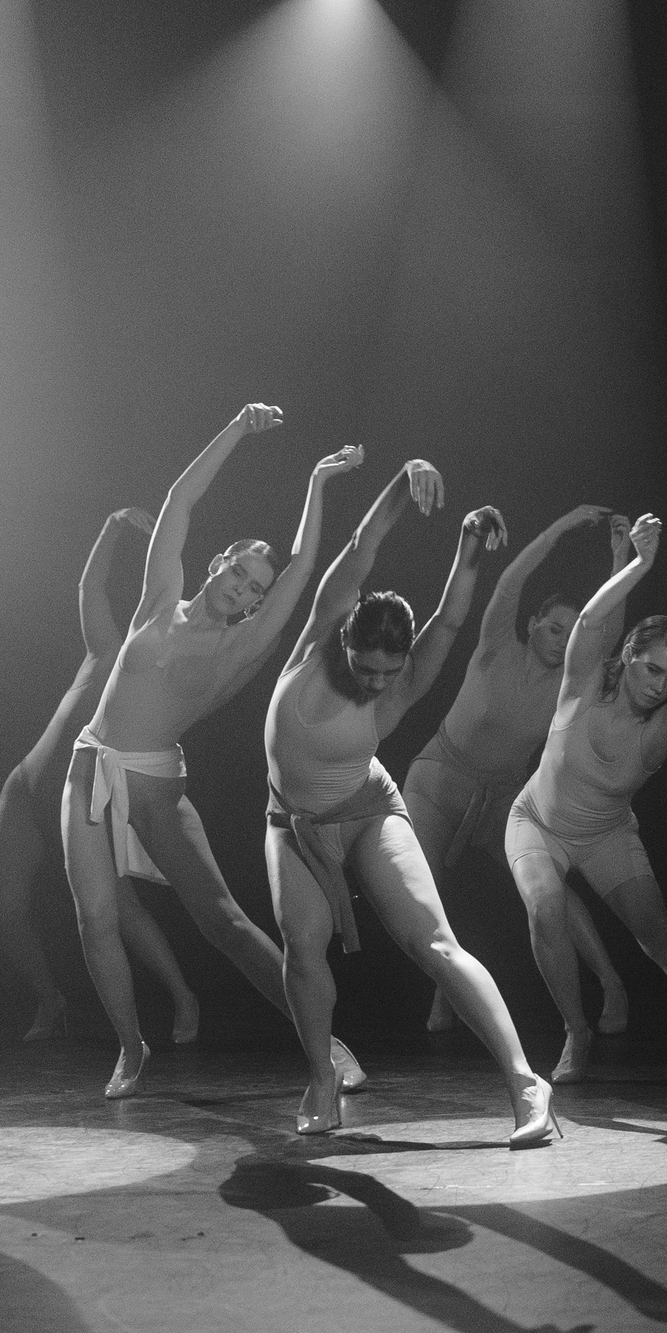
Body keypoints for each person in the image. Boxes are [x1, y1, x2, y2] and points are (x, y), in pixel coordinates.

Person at [63, 404, 366, 1098]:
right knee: (95, 916)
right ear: (219, 563)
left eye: (257, 590)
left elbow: (303, 568)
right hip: (92, 765)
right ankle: (133, 1047)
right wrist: (234, 429)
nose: (246, 591)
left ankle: (327, 1041)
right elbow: (179, 500)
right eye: (241, 575)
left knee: (225, 921)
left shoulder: (243, 646)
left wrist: (316, 485)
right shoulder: (157, 599)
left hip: (159, 786)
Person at [265, 460, 558, 1146]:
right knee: (302, 947)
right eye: (368, 668)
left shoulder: (403, 681)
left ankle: (525, 1085)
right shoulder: (318, 637)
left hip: (368, 811)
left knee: (434, 941)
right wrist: (405, 479)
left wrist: (466, 553)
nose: (378, 682)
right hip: (293, 826)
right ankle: (320, 1077)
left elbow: (452, 619)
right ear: (345, 641)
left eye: (390, 673)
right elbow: (363, 546)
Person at [506, 518, 667, 1083]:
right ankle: (577, 1030)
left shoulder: (659, 733)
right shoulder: (582, 686)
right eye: (651, 669)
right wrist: (639, 566)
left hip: (606, 835)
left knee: (663, 939)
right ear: (630, 655)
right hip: (536, 822)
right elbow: (591, 620)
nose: (659, 686)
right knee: (545, 906)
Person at [407, 504, 636, 1035]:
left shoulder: (568, 684)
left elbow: (603, 637)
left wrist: (619, 557)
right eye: (552, 627)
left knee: (547, 883)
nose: (560, 638)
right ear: (532, 624)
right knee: (427, 895)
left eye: (567, 633)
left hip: (502, 796)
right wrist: (559, 527)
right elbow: (511, 580)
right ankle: (446, 994)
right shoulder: (494, 648)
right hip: (439, 779)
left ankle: (610, 981)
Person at [0, 504, 195, 1044]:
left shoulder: (165, 677)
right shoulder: (107, 648)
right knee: (5, 910)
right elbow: (90, 588)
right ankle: (50, 1000)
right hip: (26, 788)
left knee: (119, 911)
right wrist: (109, 528)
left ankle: (182, 997)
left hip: (88, 798)